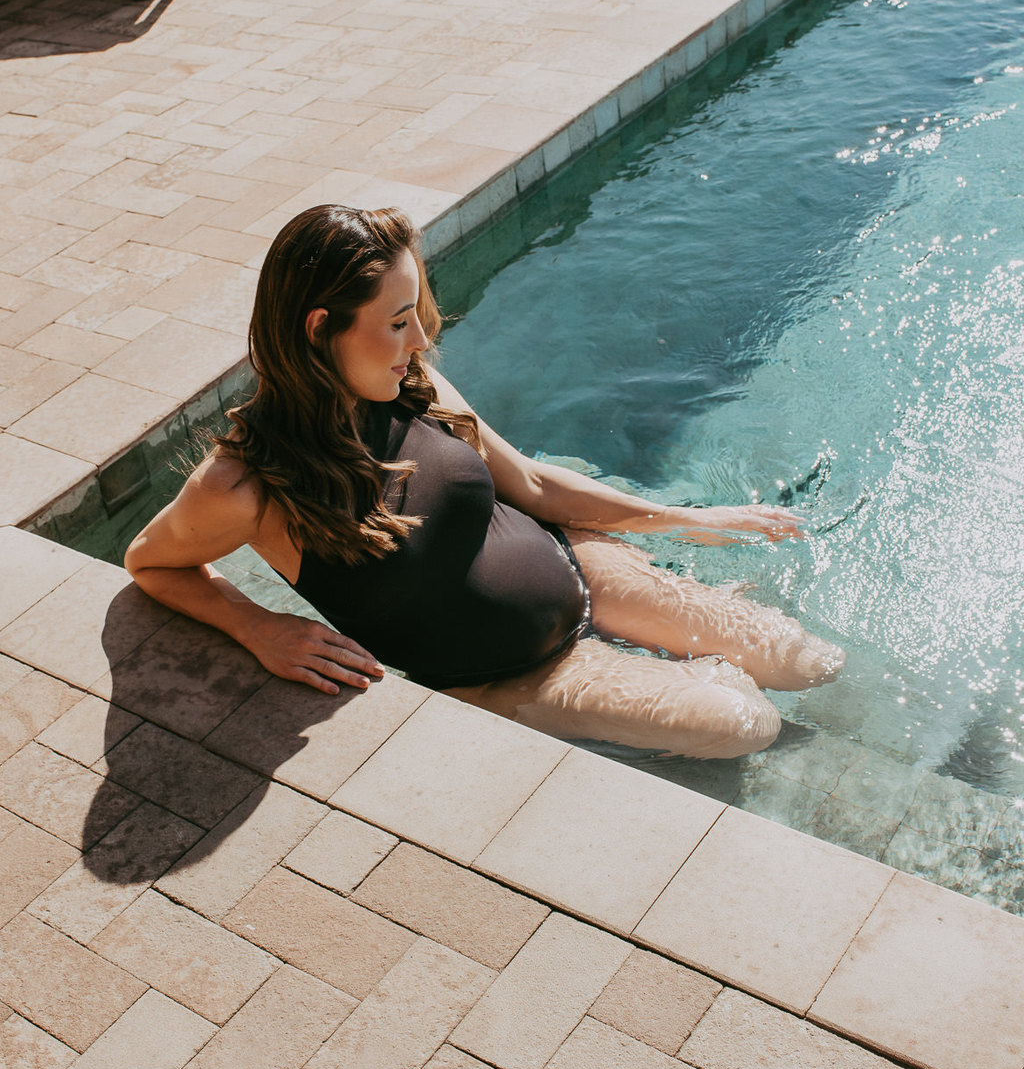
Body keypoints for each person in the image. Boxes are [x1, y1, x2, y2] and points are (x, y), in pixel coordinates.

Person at [124, 205, 843, 759]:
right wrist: (256, 625)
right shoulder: (247, 486)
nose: (420, 340)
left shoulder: (407, 382)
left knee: (810, 663)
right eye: (398, 322)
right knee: (746, 722)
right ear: (319, 330)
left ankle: (659, 647)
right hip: (507, 676)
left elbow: (531, 485)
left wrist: (687, 517)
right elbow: (150, 561)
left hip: (578, 572)